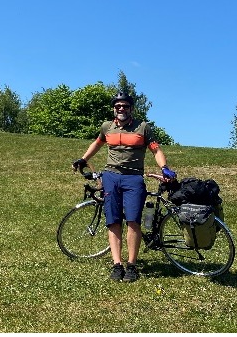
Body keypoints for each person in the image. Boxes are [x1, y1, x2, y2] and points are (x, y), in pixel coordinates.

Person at [71, 91, 176, 283]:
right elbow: (97, 143)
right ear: (114, 108)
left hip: (133, 178)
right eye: (118, 106)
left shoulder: (142, 127)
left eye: (125, 106)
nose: (121, 109)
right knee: (113, 221)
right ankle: (117, 264)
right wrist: (83, 159)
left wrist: (164, 167)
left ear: (131, 109)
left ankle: (132, 265)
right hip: (110, 177)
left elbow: (156, 150)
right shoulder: (107, 127)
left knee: (133, 221)